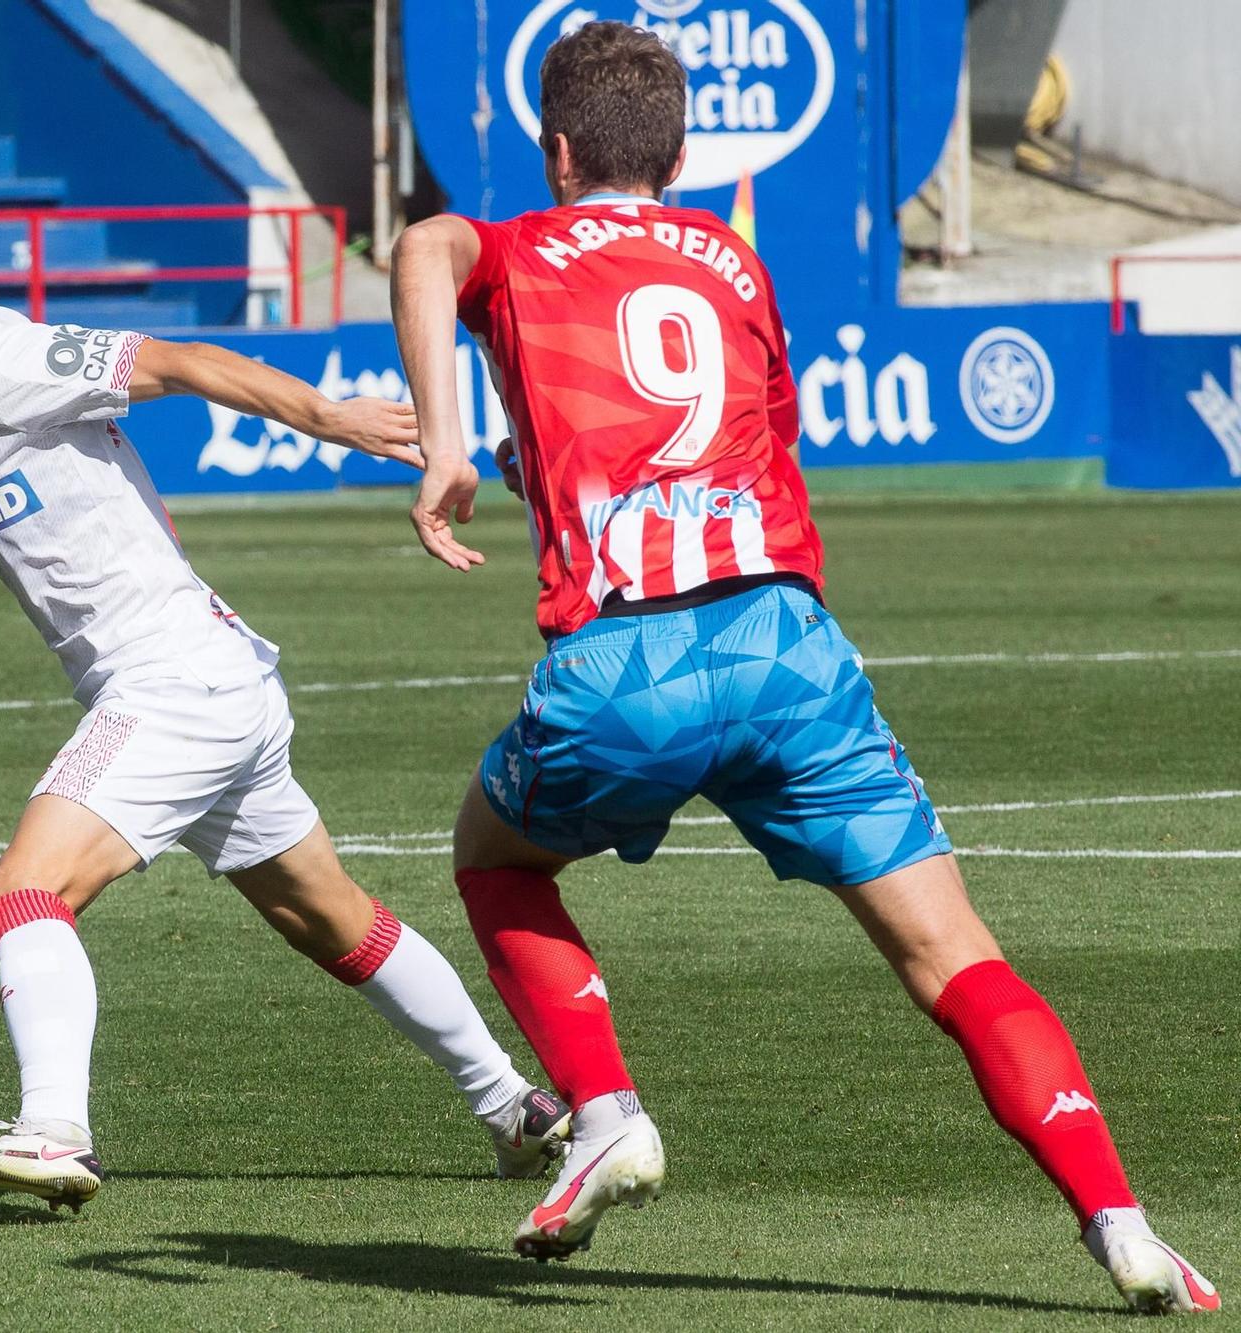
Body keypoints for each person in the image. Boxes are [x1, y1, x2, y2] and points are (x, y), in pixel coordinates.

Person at [387, 20, 1217, 1315]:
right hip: (788, 648)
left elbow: (426, 248)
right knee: (956, 955)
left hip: (629, 661)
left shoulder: (527, 243)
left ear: (556, 151)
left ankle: (606, 1115)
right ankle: (1122, 1223)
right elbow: (733, 444)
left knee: (492, 857)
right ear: (682, 150)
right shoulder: (735, 262)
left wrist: (449, 438)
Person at [0, 192, 575, 1214]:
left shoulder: (6, 356)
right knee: (330, 918)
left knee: (23, 891)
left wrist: (332, 418)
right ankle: (514, 1109)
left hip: (171, 681)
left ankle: (53, 1132)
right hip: (214, 683)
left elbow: (177, 363)